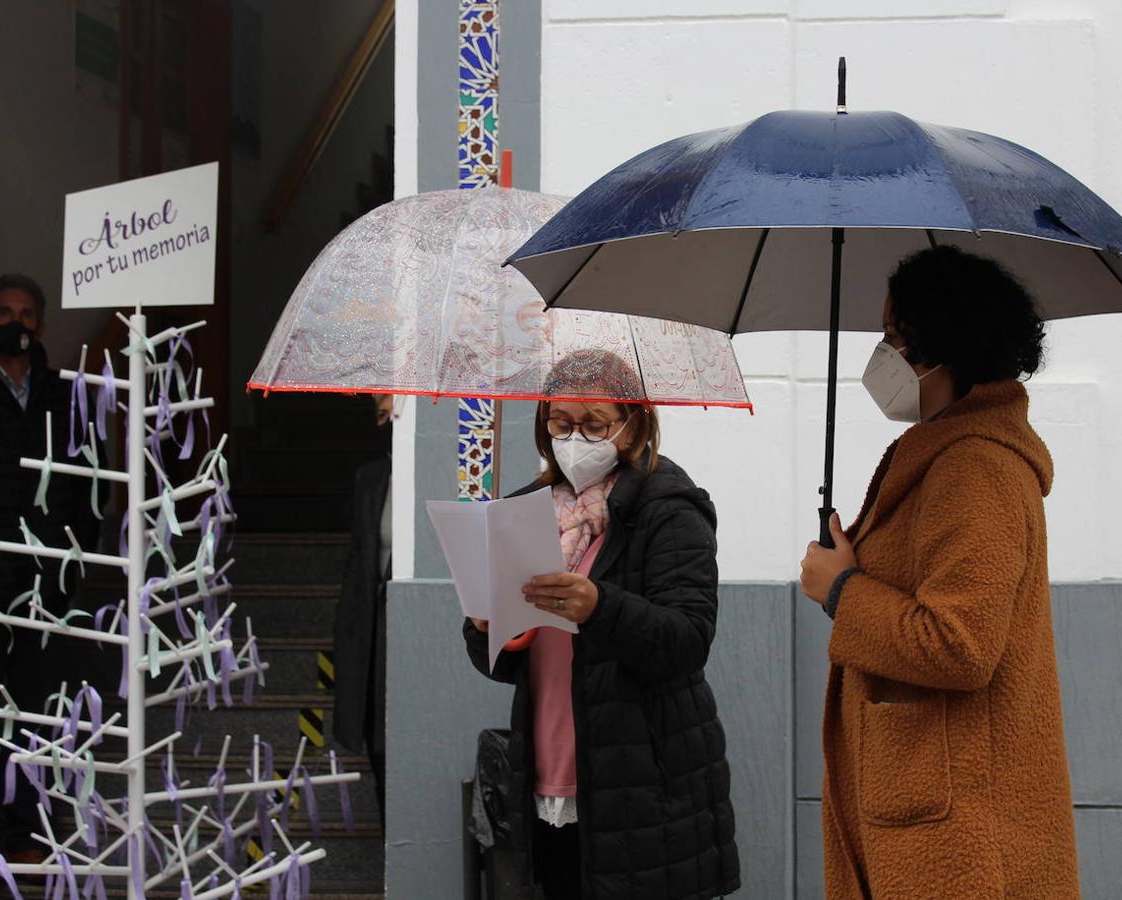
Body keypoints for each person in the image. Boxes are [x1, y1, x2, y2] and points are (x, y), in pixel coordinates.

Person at [798, 246, 1079, 898]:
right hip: (931, 816)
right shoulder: (942, 455)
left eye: (896, 336)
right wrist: (852, 561)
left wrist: (843, 588)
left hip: (957, 837)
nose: (883, 353)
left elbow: (960, 645)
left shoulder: (974, 468)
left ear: (944, 344)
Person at [463, 351, 740, 900]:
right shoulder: (527, 509)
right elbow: (503, 664)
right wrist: (486, 626)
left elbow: (686, 642)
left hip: (645, 782)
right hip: (548, 771)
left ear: (633, 424)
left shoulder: (667, 507)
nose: (575, 438)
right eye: (560, 423)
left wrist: (598, 607)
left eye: (594, 424)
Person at [0, 274, 102, 862]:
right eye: (5, 313)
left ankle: (28, 835)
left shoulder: (65, 395)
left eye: (28, 313)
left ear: (40, 324)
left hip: (46, 583)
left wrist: (72, 554)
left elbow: (91, 479)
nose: (17, 322)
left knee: (38, 711)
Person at [334, 393, 394, 825]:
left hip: (411, 628)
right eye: (379, 413)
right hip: (371, 626)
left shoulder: (432, 474)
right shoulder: (370, 478)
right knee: (376, 742)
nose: (386, 419)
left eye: (392, 409)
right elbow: (357, 558)